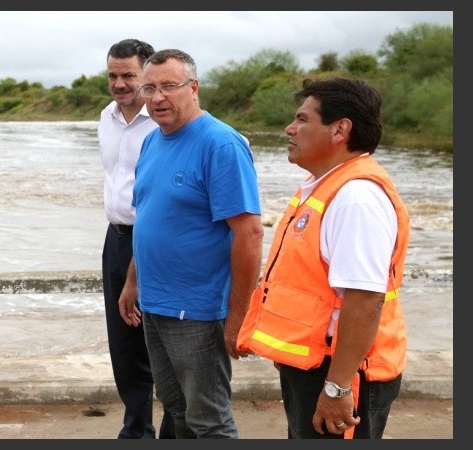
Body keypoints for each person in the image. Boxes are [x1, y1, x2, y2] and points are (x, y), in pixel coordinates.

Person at [237, 77, 411, 439]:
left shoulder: (356, 198)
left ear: (340, 130)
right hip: (316, 364)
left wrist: (337, 387)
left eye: (302, 119)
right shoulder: (323, 186)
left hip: (342, 373)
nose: (290, 128)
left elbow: (365, 300)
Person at [118, 49, 264, 438]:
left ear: (194, 88)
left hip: (198, 310)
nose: (157, 97)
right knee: (177, 410)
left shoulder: (221, 144)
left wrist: (239, 317)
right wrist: (133, 281)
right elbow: (149, 218)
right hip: (155, 303)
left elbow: (249, 233)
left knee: (209, 420)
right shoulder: (152, 141)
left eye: (169, 86)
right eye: (149, 88)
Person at [97, 38, 174, 439]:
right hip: (115, 238)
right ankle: (137, 431)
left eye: (128, 75)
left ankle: (175, 432)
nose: (119, 84)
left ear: (146, 75)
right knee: (124, 345)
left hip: (155, 240)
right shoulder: (106, 117)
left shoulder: (164, 121)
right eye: (113, 75)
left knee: (165, 342)